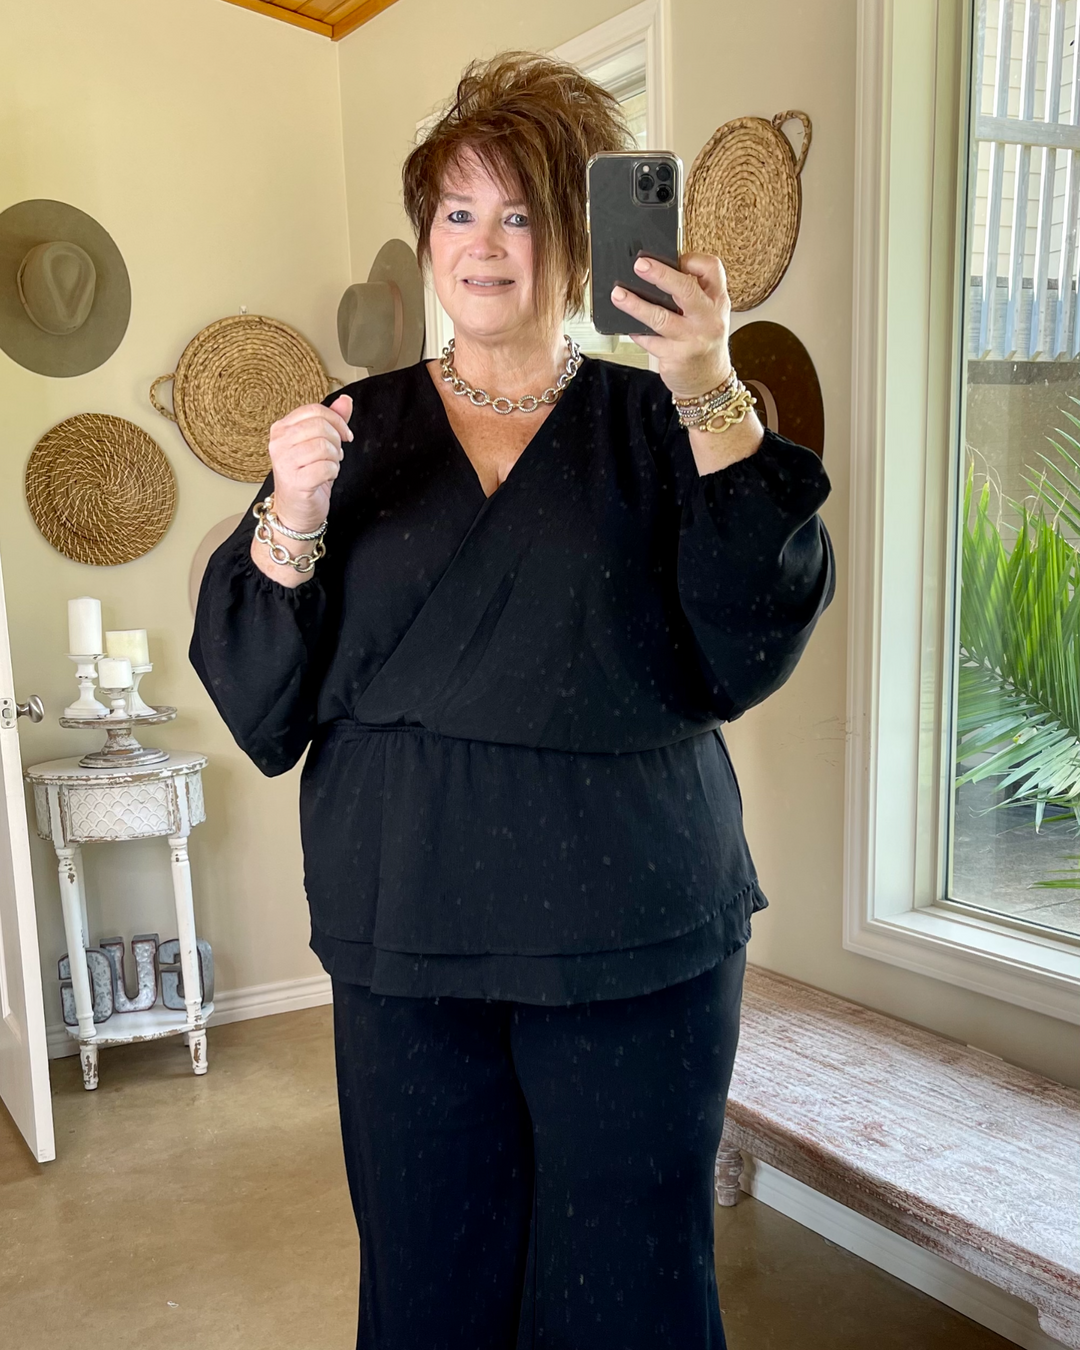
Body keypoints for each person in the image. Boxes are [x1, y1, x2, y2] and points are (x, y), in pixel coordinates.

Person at [190, 50, 835, 1350]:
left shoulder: (663, 416)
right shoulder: (348, 431)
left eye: (524, 213)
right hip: (409, 920)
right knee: (431, 1272)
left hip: (636, 920)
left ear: (579, 237)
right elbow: (262, 699)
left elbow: (758, 628)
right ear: (427, 237)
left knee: (631, 1277)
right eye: (458, 212)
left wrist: (709, 381)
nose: (486, 245)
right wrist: (291, 515)